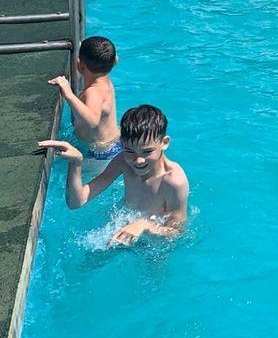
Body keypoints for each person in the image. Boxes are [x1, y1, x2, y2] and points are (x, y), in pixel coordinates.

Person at [40, 104, 189, 247]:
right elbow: (76, 202)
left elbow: (177, 232)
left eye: (147, 152)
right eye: (130, 151)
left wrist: (144, 225)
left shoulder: (174, 181)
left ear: (164, 143)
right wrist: (76, 163)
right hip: (123, 225)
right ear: (122, 143)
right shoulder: (123, 161)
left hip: (153, 242)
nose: (138, 160)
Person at [47, 36, 119, 164]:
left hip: (98, 154)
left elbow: (92, 121)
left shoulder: (93, 92)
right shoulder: (106, 83)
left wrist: (68, 94)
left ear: (80, 66)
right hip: (112, 145)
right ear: (114, 62)